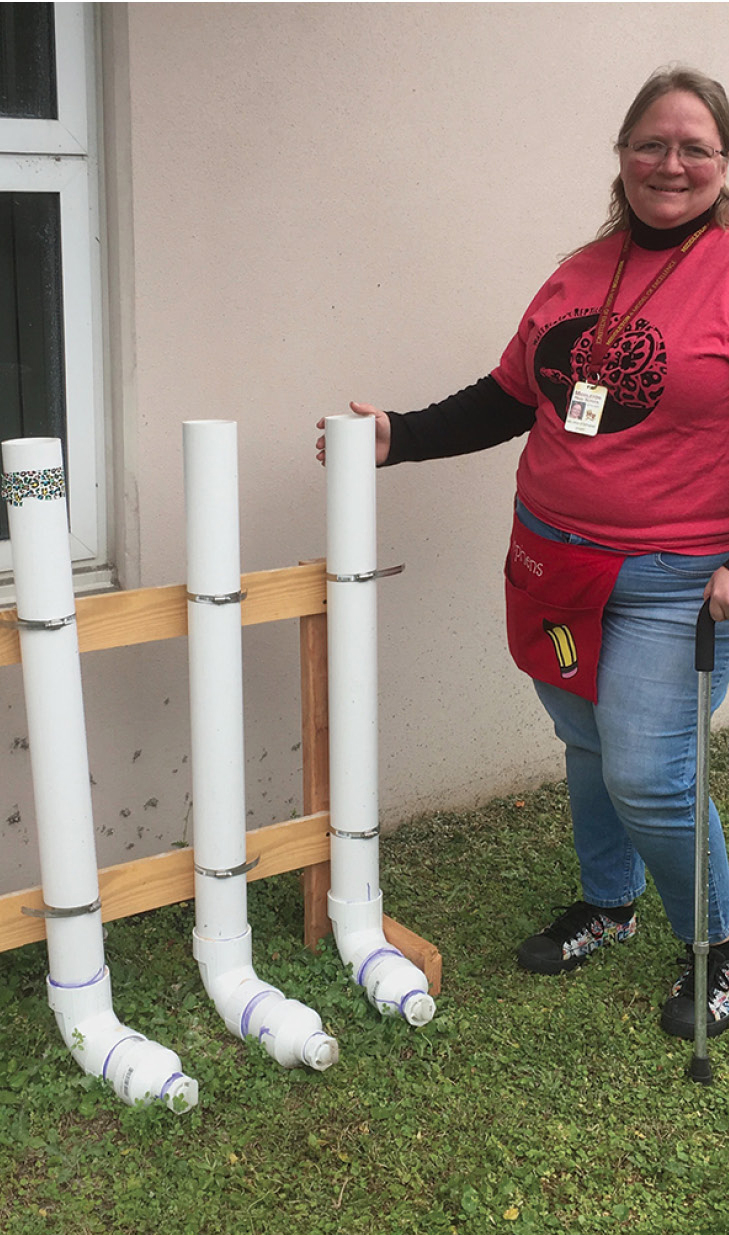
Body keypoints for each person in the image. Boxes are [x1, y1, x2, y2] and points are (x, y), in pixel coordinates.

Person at [316, 66, 729, 1040]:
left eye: (693, 146)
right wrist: (399, 435)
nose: (669, 163)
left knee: (648, 772)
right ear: (622, 154)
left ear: (723, 162)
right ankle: (608, 901)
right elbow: (514, 392)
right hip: (551, 566)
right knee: (586, 749)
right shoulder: (581, 271)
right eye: (650, 143)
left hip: (676, 582)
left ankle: (716, 942)